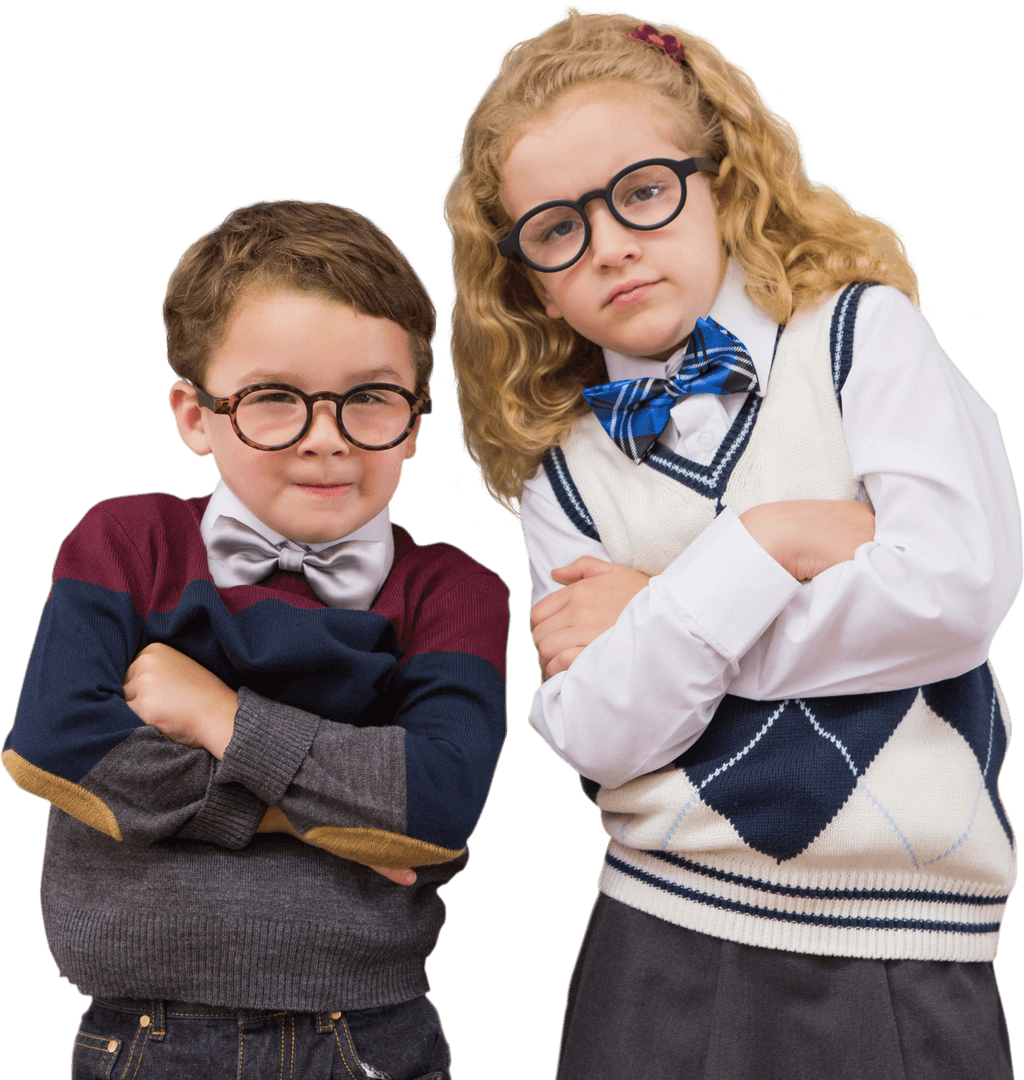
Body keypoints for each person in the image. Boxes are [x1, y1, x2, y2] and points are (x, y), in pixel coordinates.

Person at [442, 8, 1019, 1078]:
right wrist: (774, 543)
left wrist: (659, 612)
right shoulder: (562, 466)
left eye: (643, 191)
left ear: (720, 179)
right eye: (557, 229)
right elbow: (600, 734)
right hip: (656, 939)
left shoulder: (859, 337)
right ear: (526, 277)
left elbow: (951, 598)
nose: (610, 243)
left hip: (901, 947)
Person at [2, 198, 510, 1080]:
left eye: (371, 399)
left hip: (369, 1038)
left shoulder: (455, 591)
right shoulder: (126, 542)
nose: (327, 439)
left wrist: (220, 716)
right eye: (275, 400)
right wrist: (333, 822)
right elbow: (53, 748)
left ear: (416, 421)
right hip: (144, 1037)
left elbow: (435, 805)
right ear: (196, 415)